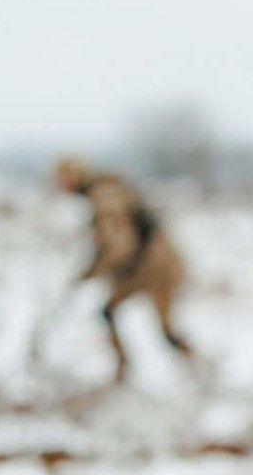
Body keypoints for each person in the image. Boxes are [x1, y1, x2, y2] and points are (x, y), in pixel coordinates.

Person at [53, 157, 191, 382]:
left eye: (61, 179)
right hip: (151, 264)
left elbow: (119, 246)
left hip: (151, 267)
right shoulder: (107, 191)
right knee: (160, 328)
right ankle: (192, 368)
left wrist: (93, 272)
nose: (59, 186)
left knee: (113, 313)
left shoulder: (104, 197)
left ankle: (125, 371)